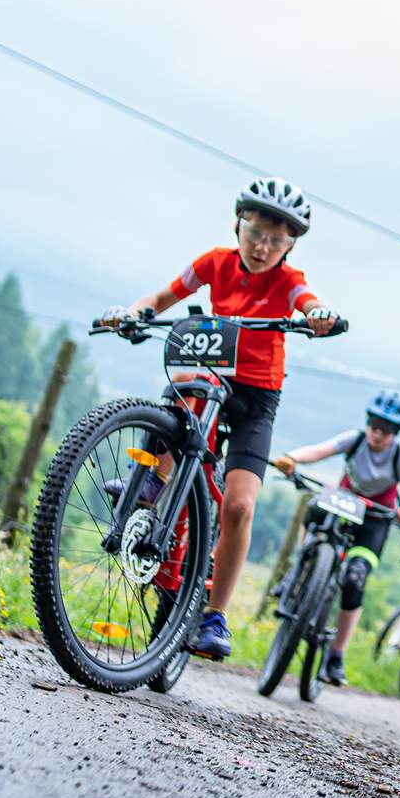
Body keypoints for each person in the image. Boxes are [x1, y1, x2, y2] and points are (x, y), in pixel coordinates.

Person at [95, 177, 336, 660]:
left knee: (239, 507)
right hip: (211, 373)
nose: (262, 247)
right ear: (238, 225)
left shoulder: (289, 280)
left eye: (276, 240)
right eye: (255, 233)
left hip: (256, 397)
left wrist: (319, 315)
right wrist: (132, 313)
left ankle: (215, 616)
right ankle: (152, 479)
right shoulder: (214, 262)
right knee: (182, 382)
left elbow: (307, 300)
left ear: (289, 246)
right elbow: (162, 297)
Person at [272, 389, 400, 685]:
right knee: (314, 510)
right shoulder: (355, 439)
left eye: (386, 429)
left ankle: (336, 655)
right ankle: (299, 569)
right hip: (342, 503)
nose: (377, 433)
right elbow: (319, 451)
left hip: (375, 519)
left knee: (355, 580)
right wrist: (291, 458)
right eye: (374, 425)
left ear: (395, 433)